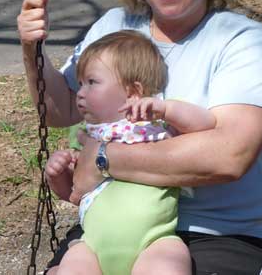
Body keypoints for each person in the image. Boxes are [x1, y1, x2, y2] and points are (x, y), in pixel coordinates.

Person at [17, 0, 262, 275]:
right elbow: (61, 109)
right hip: (113, 222)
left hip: (217, 232)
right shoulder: (113, 27)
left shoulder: (240, 41)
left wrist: (102, 158)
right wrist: (32, 50)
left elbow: (228, 155)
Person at [45, 29, 218, 275]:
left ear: (133, 91)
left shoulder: (154, 127)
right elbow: (74, 194)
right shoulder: (87, 135)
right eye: (81, 83)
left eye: (91, 82)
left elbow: (206, 124)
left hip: (154, 243)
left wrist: (166, 109)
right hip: (92, 246)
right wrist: (58, 173)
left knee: (168, 265)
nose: (80, 92)